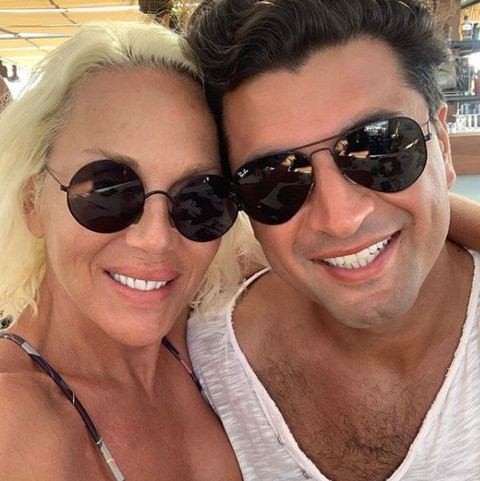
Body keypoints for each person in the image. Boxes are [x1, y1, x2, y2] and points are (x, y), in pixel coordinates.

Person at [185, 1, 480, 480]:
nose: (340, 219)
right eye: (275, 179)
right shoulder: (198, 371)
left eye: (379, 147)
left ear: (442, 146)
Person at [0, 21, 251, 480]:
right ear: (33, 202)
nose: (155, 239)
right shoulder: (12, 421)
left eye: (199, 198)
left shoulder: (194, 336)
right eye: (108, 191)